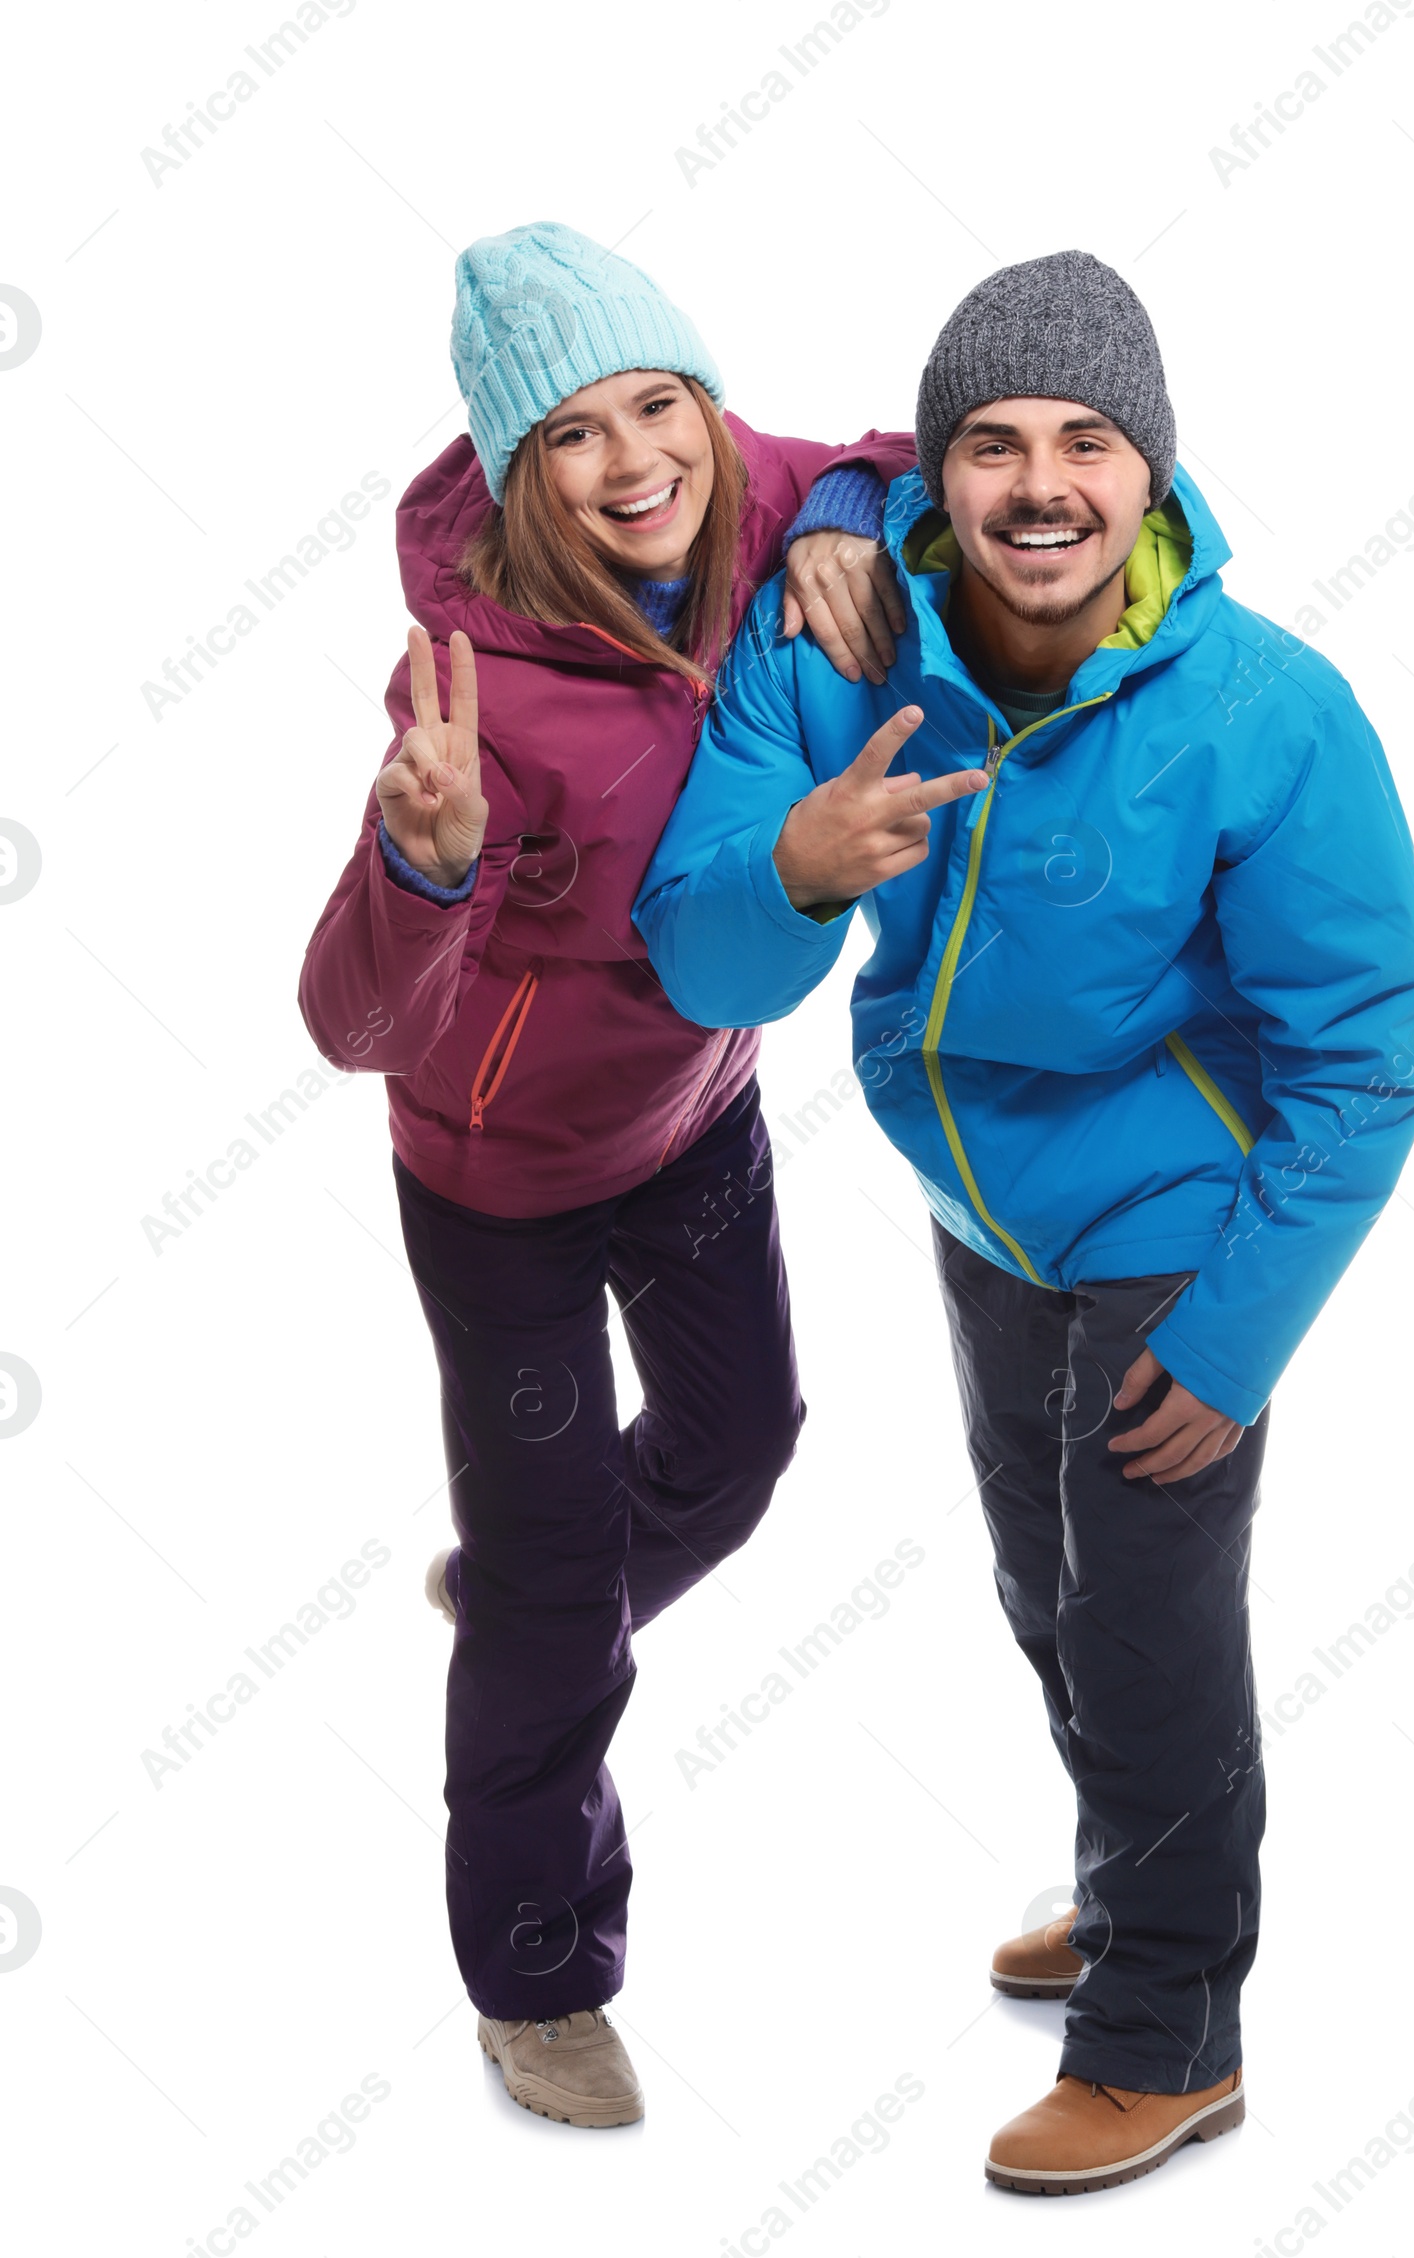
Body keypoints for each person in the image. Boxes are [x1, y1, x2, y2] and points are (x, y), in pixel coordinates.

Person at [635, 250, 1414, 2193]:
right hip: (979, 1204)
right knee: (1043, 1591)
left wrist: (1234, 1335)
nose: (1040, 482)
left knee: (1146, 1623)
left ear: (1149, 479)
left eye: (1088, 441)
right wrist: (795, 868)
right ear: (934, 480)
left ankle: (1165, 2029)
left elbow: (1364, 1054)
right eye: (989, 443)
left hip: (1184, 1216)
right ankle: (1128, 1872)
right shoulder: (834, 649)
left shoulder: (1262, 709)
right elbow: (699, 947)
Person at [299, 220, 915, 2128]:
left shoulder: (739, 496)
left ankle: (525, 1598)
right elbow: (346, 1020)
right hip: (504, 1176)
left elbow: (913, 457)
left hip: (699, 1113)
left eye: (663, 404)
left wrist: (855, 524)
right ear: (513, 469)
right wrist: (423, 860)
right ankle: (537, 1975)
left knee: (745, 1447)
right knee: (567, 1595)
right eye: (575, 432)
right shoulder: (472, 687)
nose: (637, 458)